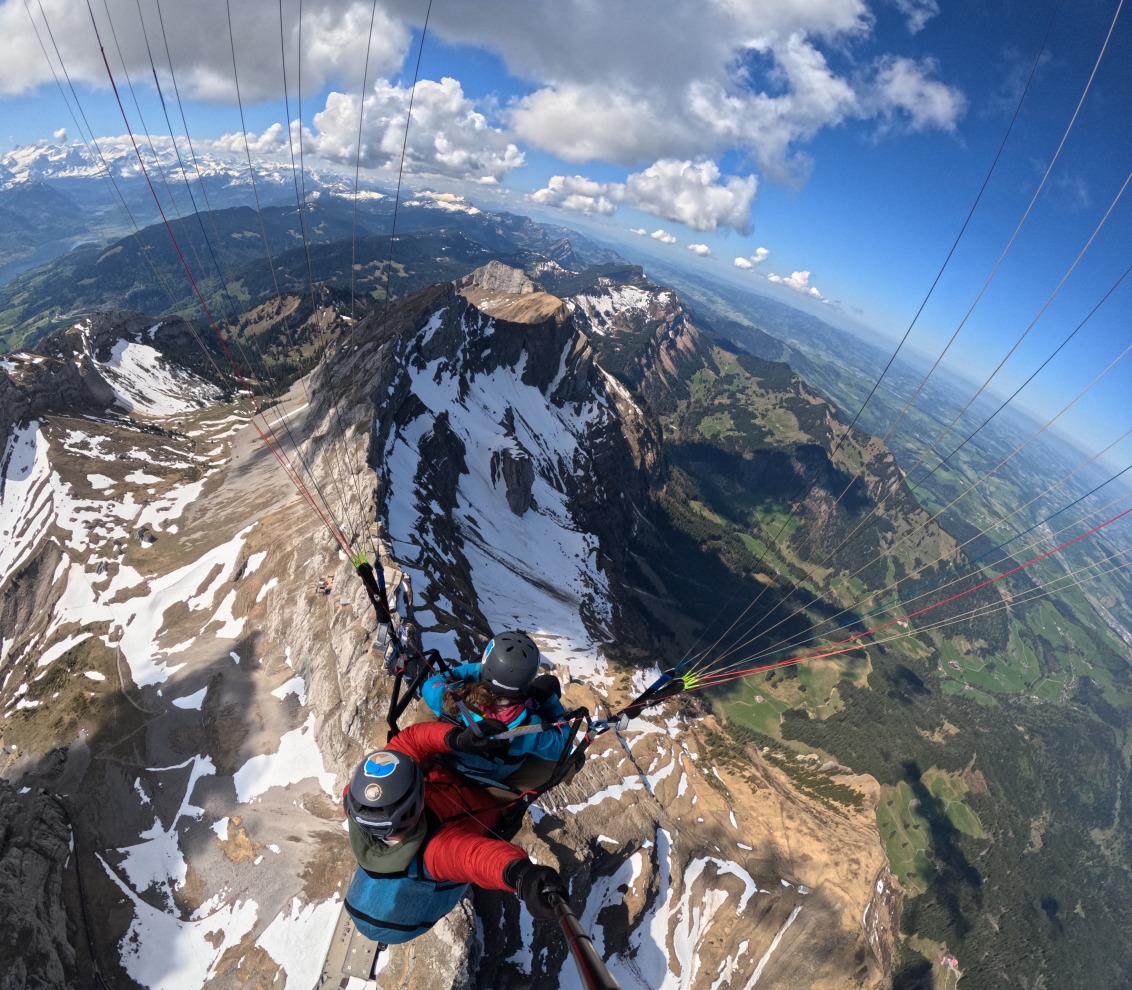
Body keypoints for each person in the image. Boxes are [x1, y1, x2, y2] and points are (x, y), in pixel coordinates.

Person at [342, 720, 565, 944]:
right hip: (492, 795)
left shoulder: (362, 804)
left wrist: (454, 738)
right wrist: (522, 876)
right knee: (559, 760)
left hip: (450, 769)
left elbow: (409, 742)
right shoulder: (435, 853)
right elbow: (476, 858)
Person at [419, 630, 571, 792]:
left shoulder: (450, 700)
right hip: (487, 781)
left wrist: (478, 670)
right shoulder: (530, 728)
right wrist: (551, 705)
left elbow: (432, 684)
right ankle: (510, 796)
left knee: (426, 704)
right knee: (561, 762)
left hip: (446, 762)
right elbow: (562, 746)